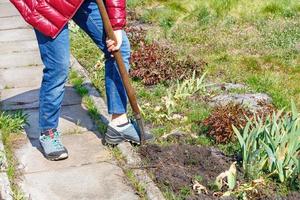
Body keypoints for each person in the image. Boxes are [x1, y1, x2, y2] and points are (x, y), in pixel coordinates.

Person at [11, 0, 152, 161]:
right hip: (47, 3)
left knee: (120, 48)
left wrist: (117, 26)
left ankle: (119, 123)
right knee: (58, 66)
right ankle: (48, 132)